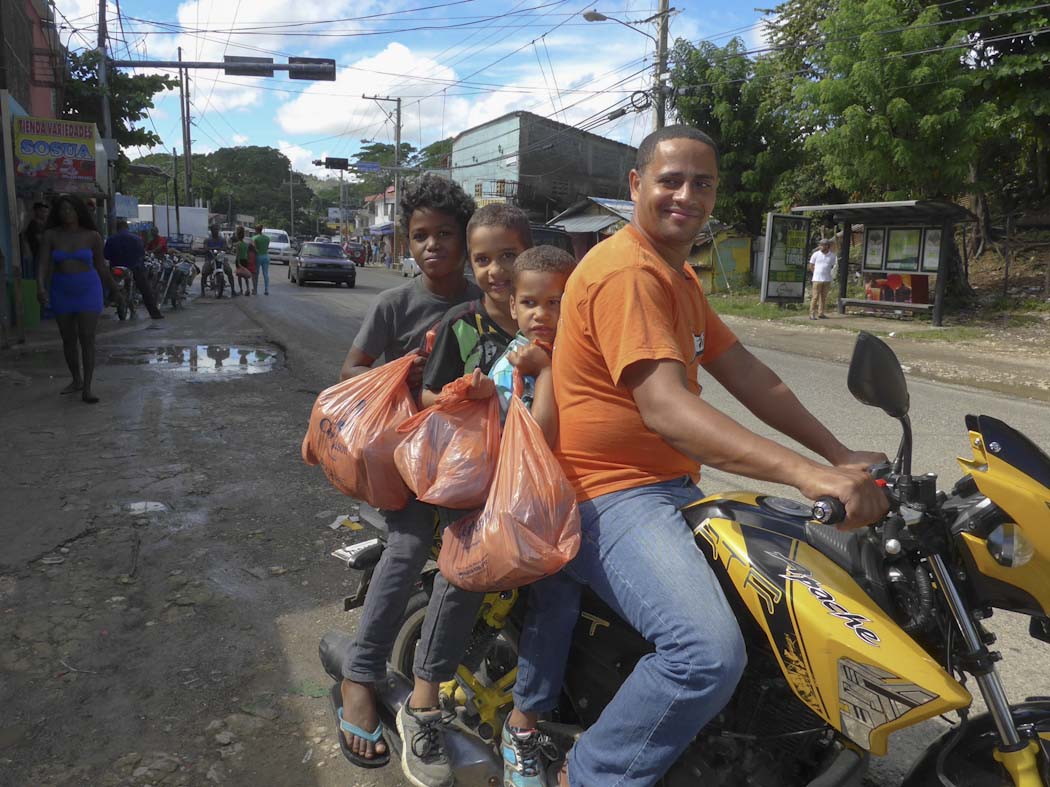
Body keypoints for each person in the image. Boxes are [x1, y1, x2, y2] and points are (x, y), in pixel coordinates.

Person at [509, 125, 889, 787]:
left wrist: (838, 451)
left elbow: (745, 371)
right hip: (607, 493)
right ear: (636, 187)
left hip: (667, 487)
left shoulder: (675, 274)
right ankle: (590, 772)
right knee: (705, 653)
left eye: (702, 182)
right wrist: (808, 473)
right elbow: (667, 408)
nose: (687, 194)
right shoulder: (628, 269)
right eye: (671, 180)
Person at [334, 174, 481, 784]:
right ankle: (359, 677)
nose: (431, 246)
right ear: (406, 241)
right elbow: (351, 372)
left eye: (444, 234)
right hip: (405, 464)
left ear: (465, 239)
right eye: (419, 235)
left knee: (487, 552)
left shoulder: (485, 300)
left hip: (470, 461)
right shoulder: (393, 305)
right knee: (413, 542)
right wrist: (405, 372)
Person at [484, 247, 579, 787]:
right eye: (530, 303)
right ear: (513, 308)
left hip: (564, 495)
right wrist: (543, 373)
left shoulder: (574, 352)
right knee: (558, 595)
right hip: (528, 505)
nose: (542, 313)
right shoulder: (519, 362)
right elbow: (538, 438)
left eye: (555, 302)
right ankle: (524, 726)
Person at [420, 203, 532, 407]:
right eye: (482, 259)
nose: (495, 270)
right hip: (474, 437)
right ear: (470, 263)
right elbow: (427, 396)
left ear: (529, 253)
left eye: (508, 255)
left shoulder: (550, 318)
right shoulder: (460, 324)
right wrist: (466, 395)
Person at [36, 195, 123, 404]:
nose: (67, 213)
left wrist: (115, 290)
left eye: (71, 209)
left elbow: (101, 266)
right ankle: (76, 379)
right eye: (63, 210)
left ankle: (88, 388)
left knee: (87, 338)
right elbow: (43, 265)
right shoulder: (51, 235)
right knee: (68, 339)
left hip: (88, 289)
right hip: (61, 290)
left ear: (78, 212)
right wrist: (40, 287)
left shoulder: (92, 236)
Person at [103, 219, 164, 319]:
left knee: (109, 283)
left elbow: (106, 255)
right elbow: (141, 253)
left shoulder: (111, 239)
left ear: (117, 228)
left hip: (116, 268)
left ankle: (108, 299)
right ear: (126, 227)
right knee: (145, 290)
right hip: (134, 267)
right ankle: (155, 314)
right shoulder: (136, 238)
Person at [201, 226, 237, 297]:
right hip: (210, 259)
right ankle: (202, 291)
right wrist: (217, 248)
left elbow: (225, 248)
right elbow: (205, 249)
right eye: (214, 230)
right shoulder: (207, 240)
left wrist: (212, 248)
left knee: (229, 271)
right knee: (204, 272)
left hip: (221, 259)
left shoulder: (222, 239)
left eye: (217, 229)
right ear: (211, 231)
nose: (216, 231)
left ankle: (233, 290)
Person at [808, 237, 837, 320]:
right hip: (817, 279)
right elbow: (811, 265)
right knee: (815, 297)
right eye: (820, 245)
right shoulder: (816, 254)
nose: (821, 247)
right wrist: (815, 273)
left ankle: (821, 313)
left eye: (823, 245)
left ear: (827, 246)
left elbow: (833, 266)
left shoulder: (832, 256)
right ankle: (812, 313)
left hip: (827, 279)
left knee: (823, 297)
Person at [22, 202, 49, 267]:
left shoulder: (44, 224)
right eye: (43, 211)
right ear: (37, 211)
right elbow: (41, 240)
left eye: (46, 212)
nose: (45, 214)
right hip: (38, 255)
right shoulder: (33, 224)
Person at [251, 224, 271, 296]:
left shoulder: (254, 238)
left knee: (256, 273)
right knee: (265, 273)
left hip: (258, 256)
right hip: (266, 256)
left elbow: (254, 249)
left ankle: (255, 289)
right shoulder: (267, 238)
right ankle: (266, 289)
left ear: (256, 230)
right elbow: (267, 247)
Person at [232, 227, 252, 296]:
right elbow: (247, 254)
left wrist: (238, 263)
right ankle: (248, 288)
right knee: (246, 276)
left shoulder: (238, 244)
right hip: (245, 260)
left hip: (239, 261)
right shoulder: (246, 244)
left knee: (239, 276)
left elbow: (237, 254)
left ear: (237, 235)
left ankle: (241, 290)